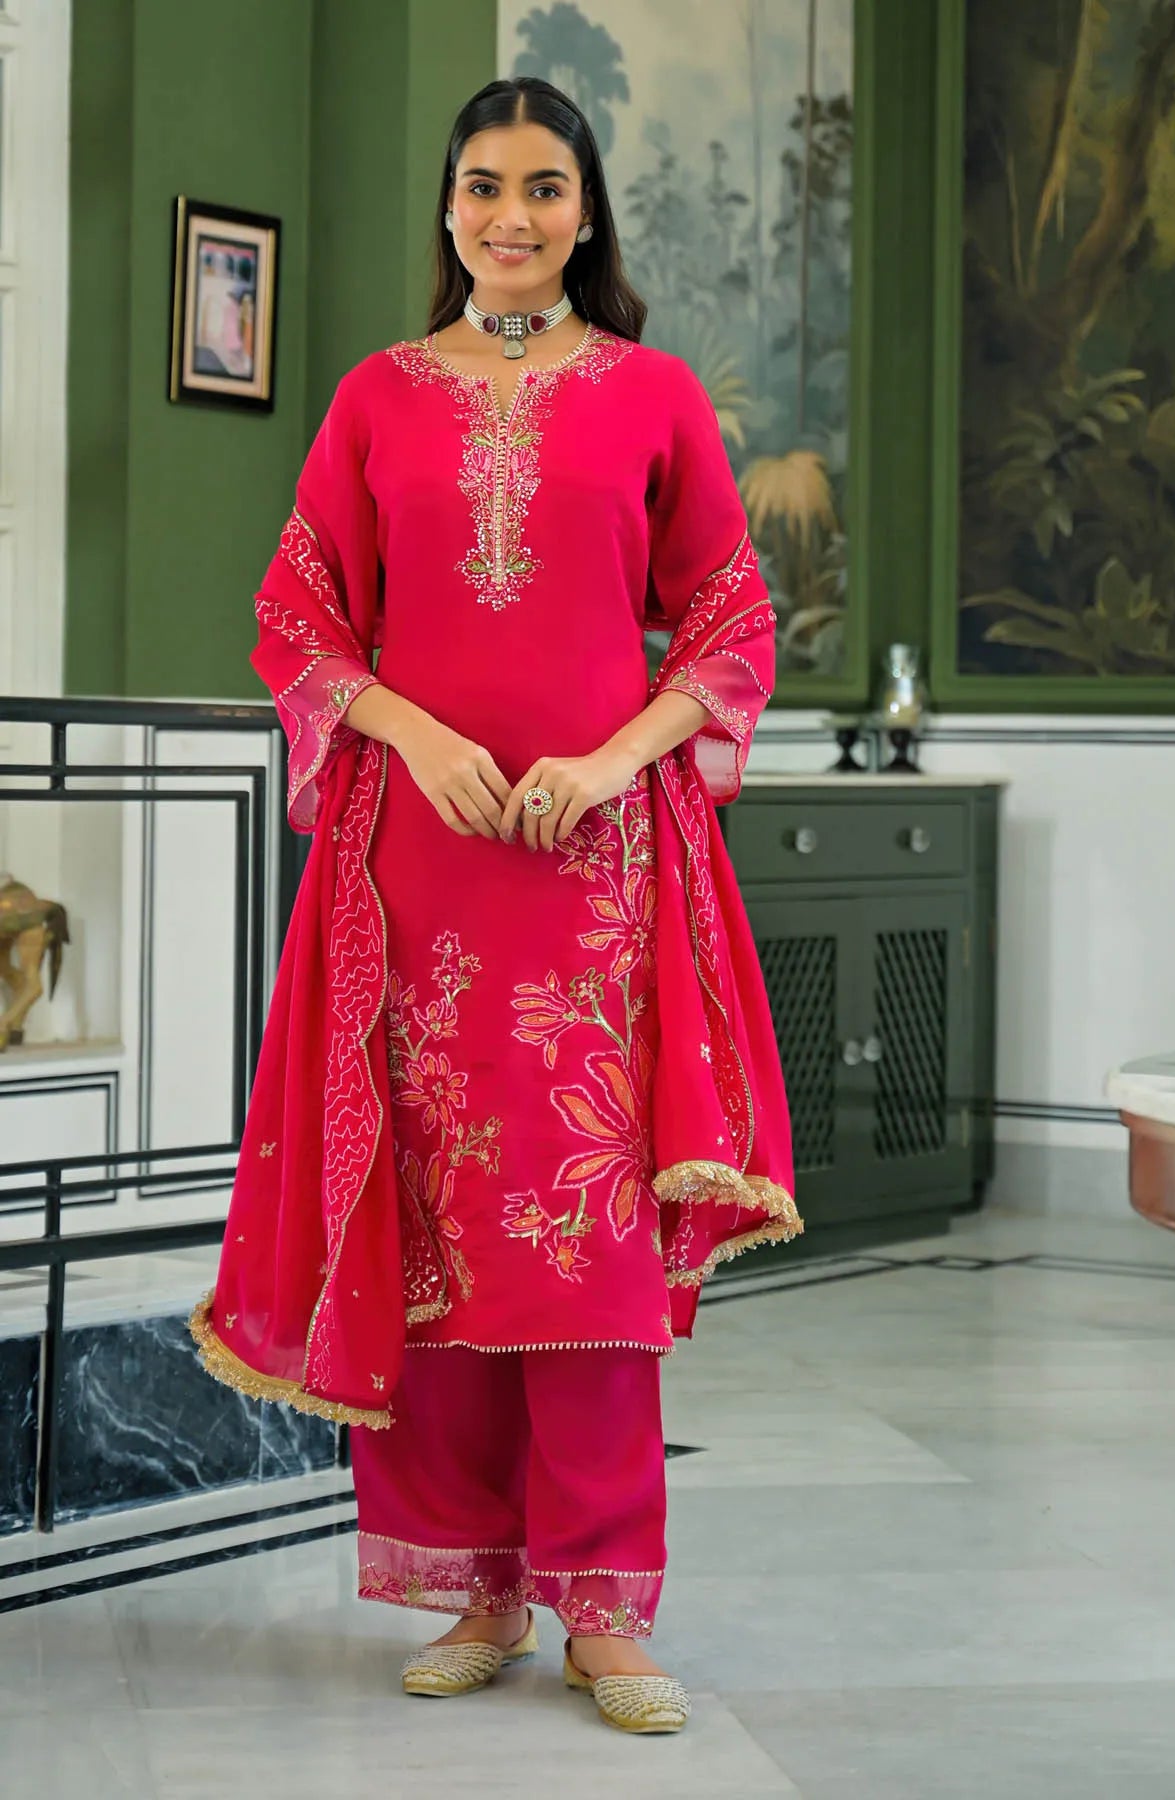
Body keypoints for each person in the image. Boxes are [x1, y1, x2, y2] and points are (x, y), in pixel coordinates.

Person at [191, 74, 799, 1736]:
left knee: (587, 1238)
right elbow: (300, 618)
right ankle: (473, 1582)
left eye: (543, 187)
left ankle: (606, 1607)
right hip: (418, 868)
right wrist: (410, 728)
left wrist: (612, 764)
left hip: (598, 873)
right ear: (447, 208)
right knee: (437, 1225)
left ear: (585, 212)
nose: (510, 217)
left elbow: (733, 626)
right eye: (481, 187)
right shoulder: (377, 397)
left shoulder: (656, 396)